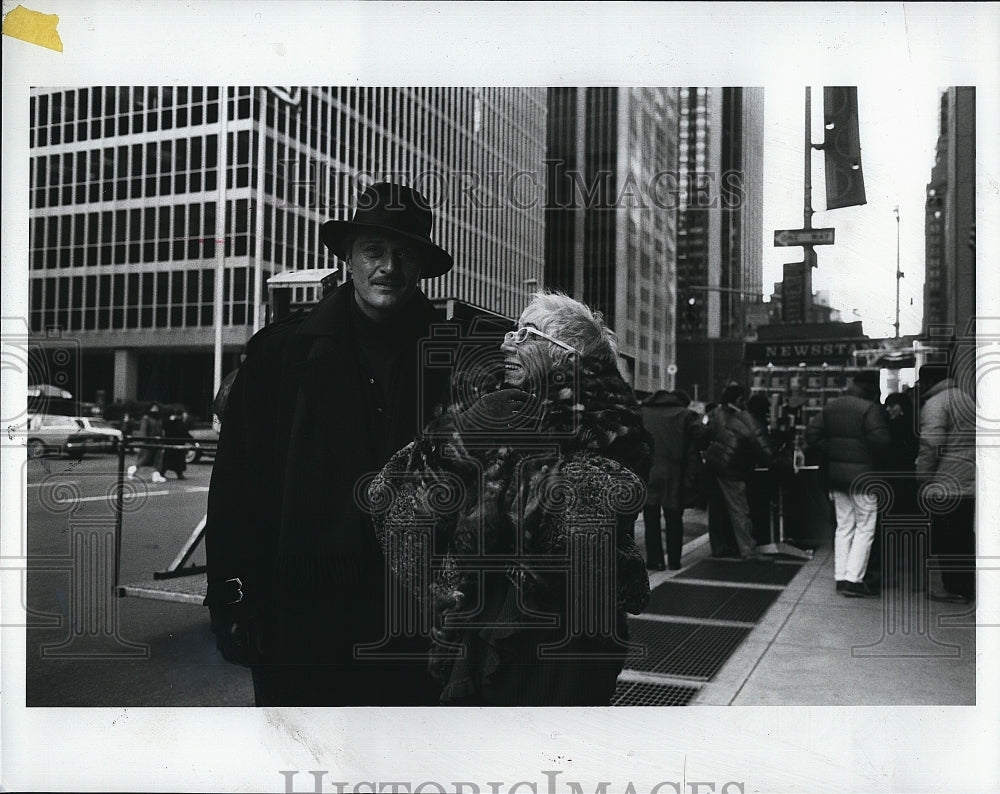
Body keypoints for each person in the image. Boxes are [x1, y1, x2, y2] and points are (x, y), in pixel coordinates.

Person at [204, 182, 456, 706]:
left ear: (420, 265)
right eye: (373, 250)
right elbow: (238, 491)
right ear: (347, 259)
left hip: (414, 625)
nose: (389, 266)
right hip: (302, 620)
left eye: (404, 253)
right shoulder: (280, 355)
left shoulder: (453, 360)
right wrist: (235, 600)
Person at [368, 292, 652, 705]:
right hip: (477, 649)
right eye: (512, 330)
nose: (507, 342)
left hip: (557, 660)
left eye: (527, 334)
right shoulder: (496, 417)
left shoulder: (610, 432)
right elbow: (386, 498)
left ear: (568, 361)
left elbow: (575, 540)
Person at [804, 370, 890, 597]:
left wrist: (834, 451)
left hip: (836, 476)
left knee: (843, 527)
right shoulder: (869, 409)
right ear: (872, 389)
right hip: (864, 478)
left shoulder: (831, 406)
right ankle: (854, 579)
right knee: (865, 527)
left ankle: (840, 577)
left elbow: (811, 435)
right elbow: (881, 442)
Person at [915, 364, 976, 604]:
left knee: (946, 537)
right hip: (968, 480)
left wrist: (922, 477)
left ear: (928, 381)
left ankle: (952, 588)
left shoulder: (936, 404)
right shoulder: (966, 399)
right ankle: (966, 585)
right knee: (962, 536)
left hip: (945, 483)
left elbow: (932, 445)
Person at [702, 384, 775, 562]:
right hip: (732, 468)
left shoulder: (716, 415)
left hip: (715, 465)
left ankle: (719, 547)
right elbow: (763, 448)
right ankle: (748, 550)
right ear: (738, 400)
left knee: (717, 511)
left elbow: (707, 436)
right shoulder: (744, 419)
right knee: (739, 509)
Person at [640, 389, 708, 570]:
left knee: (650, 518)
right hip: (675, 473)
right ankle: (674, 562)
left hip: (648, 471)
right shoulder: (686, 415)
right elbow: (703, 436)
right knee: (674, 518)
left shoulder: (642, 412)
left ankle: (655, 560)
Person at [127, 403, 165, 483]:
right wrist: (145, 441)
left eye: (156, 408)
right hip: (148, 443)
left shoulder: (158, 419)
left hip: (157, 443)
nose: (155, 409)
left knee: (157, 460)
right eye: (153, 408)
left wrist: (161, 440)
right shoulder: (146, 418)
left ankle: (156, 475)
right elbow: (143, 430)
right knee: (144, 460)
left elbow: (160, 430)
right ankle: (132, 470)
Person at [158, 408, 192, 480]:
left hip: (174, 444)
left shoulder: (176, 422)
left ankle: (175, 474)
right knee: (171, 461)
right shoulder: (176, 423)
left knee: (172, 461)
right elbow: (184, 432)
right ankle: (163, 473)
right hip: (174, 443)